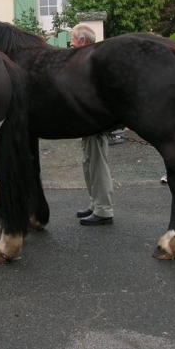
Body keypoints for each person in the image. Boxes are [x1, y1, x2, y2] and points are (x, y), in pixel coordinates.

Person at [69, 24, 114, 226]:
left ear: (83, 41)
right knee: (89, 164)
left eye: (73, 39)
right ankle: (96, 204)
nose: (70, 43)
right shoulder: (89, 58)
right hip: (88, 122)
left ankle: (104, 210)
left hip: (96, 122)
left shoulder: (94, 60)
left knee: (97, 165)